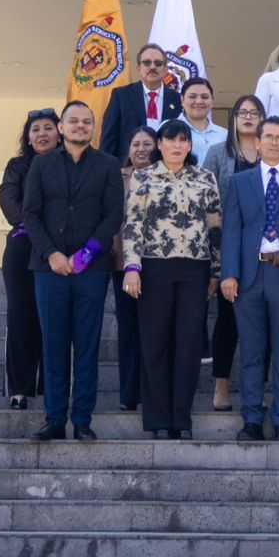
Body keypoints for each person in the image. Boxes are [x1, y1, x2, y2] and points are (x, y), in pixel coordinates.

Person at [23, 101, 123, 441]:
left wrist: (88, 253)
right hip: (48, 269)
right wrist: (51, 254)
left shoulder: (108, 164)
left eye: (86, 121)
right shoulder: (42, 164)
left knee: (87, 344)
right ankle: (54, 419)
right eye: (73, 121)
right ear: (61, 127)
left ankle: (82, 420)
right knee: (53, 345)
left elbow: (113, 214)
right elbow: (31, 214)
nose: (80, 126)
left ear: (93, 128)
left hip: (91, 270)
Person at [120, 120, 220, 440]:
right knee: (155, 342)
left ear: (189, 146)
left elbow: (215, 227)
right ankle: (158, 419)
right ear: (159, 144)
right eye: (170, 140)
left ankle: (181, 418)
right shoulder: (144, 177)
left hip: (195, 269)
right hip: (154, 267)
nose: (177, 145)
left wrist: (217, 272)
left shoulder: (205, 178)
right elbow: (133, 224)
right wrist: (132, 267)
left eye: (182, 140)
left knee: (188, 344)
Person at [218, 116, 279, 441]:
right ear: (257, 143)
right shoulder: (240, 182)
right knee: (251, 351)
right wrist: (229, 274)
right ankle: (252, 419)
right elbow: (231, 230)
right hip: (248, 275)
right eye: (268, 137)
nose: (274, 142)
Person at [202, 95, 265, 410]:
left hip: (266, 248)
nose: (248, 117)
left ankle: (257, 388)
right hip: (230, 245)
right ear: (234, 118)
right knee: (228, 319)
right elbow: (206, 202)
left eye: (254, 112)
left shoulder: (272, 150)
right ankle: (222, 385)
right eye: (242, 112)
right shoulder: (218, 153)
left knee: (264, 322)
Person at [0, 108, 60, 410]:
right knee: (21, 316)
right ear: (28, 136)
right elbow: (10, 202)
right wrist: (39, 229)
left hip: (59, 251)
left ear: (59, 133)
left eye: (48, 128)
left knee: (53, 319)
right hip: (23, 248)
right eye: (35, 129)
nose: (42, 134)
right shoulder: (17, 166)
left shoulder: (69, 165)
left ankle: (52, 388)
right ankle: (19, 390)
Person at [111, 126, 157, 411]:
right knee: (128, 328)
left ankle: (153, 393)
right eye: (136, 144)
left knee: (154, 330)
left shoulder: (165, 176)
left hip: (158, 265)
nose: (141, 149)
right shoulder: (116, 178)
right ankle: (129, 394)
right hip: (123, 264)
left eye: (147, 144)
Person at [100, 43, 181, 163]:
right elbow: (108, 140)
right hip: (129, 168)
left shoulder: (178, 100)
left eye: (158, 63)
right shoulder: (121, 96)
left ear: (165, 70)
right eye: (147, 63)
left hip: (168, 167)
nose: (152, 67)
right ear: (138, 68)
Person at [179, 78, 227, 163]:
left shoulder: (224, 134)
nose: (199, 101)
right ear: (182, 100)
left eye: (205, 97)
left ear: (212, 100)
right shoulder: (168, 128)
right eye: (192, 97)